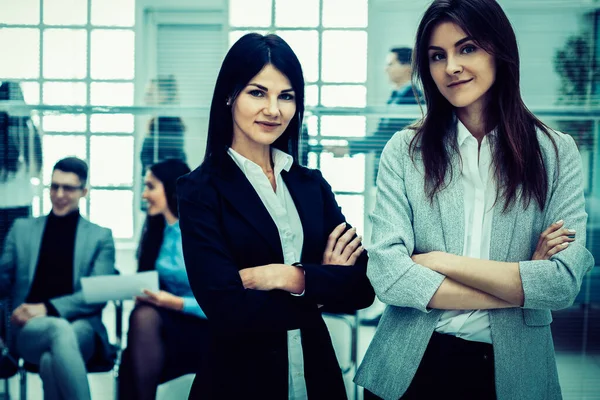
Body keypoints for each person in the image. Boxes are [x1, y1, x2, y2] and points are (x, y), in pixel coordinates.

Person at [354, 0, 595, 399]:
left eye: (467, 48)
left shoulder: (556, 152)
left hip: (513, 370)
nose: (451, 66)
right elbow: (389, 277)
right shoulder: (404, 150)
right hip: (409, 367)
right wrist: (519, 285)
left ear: (499, 50)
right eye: (437, 56)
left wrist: (439, 262)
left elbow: (561, 285)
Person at [177, 33, 375, 399]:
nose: (274, 109)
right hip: (238, 382)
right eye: (257, 92)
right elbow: (227, 310)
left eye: (286, 96)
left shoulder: (311, 185)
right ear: (228, 96)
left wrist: (288, 276)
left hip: (317, 378)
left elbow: (362, 287)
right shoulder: (199, 191)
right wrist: (318, 285)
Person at [0, 157, 117, 400]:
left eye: (68, 188)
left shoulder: (100, 237)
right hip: (29, 329)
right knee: (57, 332)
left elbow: (97, 293)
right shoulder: (21, 229)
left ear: (84, 191)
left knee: (50, 358)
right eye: (54, 186)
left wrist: (47, 308)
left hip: (83, 328)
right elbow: (3, 279)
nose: (59, 194)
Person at [118, 158, 210, 400]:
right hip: (169, 324)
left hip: (207, 324)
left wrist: (175, 303)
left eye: (150, 186)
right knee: (142, 316)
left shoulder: (202, 232)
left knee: (143, 322)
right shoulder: (156, 231)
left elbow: (224, 298)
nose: (144, 195)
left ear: (170, 188)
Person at [325, 47, 422, 185]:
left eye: (391, 64)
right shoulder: (396, 97)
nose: (385, 70)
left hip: (398, 175)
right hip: (388, 172)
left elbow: (388, 136)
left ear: (407, 67)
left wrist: (350, 148)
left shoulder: (412, 99)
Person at [0, 81, 42, 250]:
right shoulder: (30, 129)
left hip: (6, 203)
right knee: (19, 255)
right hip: (23, 201)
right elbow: (35, 171)